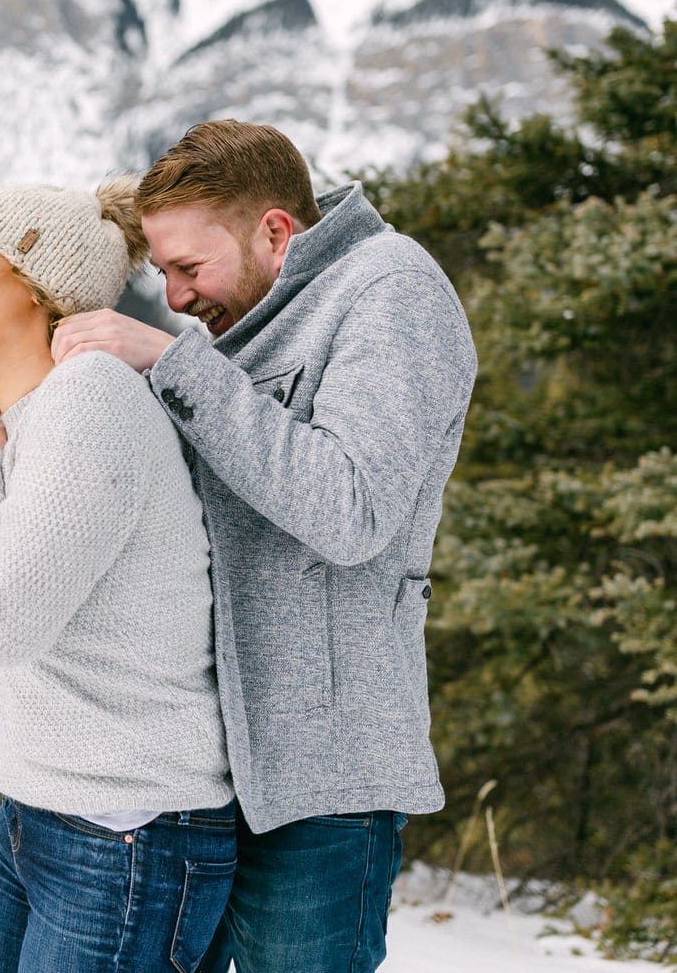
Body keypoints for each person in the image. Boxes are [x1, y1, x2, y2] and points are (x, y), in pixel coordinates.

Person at [47, 120, 479, 972]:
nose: (172, 297)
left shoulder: (390, 293)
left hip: (321, 778)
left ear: (276, 230)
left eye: (187, 269)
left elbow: (349, 508)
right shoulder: (251, 310)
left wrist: (175, 365)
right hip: (199, 774)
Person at [0, 179, 235, 973]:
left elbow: (8, 622)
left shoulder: (90, 401)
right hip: (44, 805)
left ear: (40, 282)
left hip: (126, 829)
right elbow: (60, 586)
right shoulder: (48, 413)